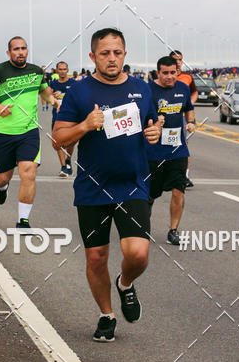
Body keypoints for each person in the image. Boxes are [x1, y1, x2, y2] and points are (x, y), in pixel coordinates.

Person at [53, 28, 161, 342]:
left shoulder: (142, 89)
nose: (111, 59)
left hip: (132, 185)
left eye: (116, 52)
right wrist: (85, 125)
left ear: (124, 54)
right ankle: (106, 315)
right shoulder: (79, 92)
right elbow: (57, 140)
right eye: (104, 53)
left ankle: (125, 283)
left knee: (138, 253)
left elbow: (152, 125)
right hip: (92, 188)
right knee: (96, 257)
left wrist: (153, 133)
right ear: (93, 57)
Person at [0, 36, 59, 228]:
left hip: (28, 132)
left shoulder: (36, 72)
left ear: (27, 51)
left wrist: (54, 101)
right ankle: (3, 187)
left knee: (28, 173)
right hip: (3, 133)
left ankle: (23, 221)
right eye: (16, 49)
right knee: (1, 178)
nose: (20, 52)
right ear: (9, 52)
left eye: (23, 48)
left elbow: (44, 90)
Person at [147, 56, 195, 245]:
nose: (169, 76)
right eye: (165, 73)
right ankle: (143, 224)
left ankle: (173, 230)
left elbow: (189, 109)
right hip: (153, 151)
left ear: (177, 71)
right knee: (151, 193)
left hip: (177, 150)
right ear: (158, 73)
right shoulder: (149, 90)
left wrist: (191, 122)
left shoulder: (182, 88)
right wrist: (155, 122)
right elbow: (142, 117)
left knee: (178, 190)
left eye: (172, 72)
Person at [171, 50, 198, 188]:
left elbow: (194, 92)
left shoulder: (187, 77)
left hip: (181, 118)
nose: (178, 62)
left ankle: (185, 176)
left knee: (184, 145)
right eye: (175, 59)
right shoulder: (165, 75)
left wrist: (190, 103)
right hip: (166, 118)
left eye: (180, 59)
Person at [49, 61, 76, 177]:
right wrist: (52, 98)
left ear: (68, 70)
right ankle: (63, 166)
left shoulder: (73, 83)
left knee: (71, 142)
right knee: (58, 142)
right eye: (60, 69)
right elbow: (48, 97)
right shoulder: (53, 84)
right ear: (57, 71)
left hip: (71, 118)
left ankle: (68, 159)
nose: (62, 72)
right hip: (57, 117)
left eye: (64, 69)